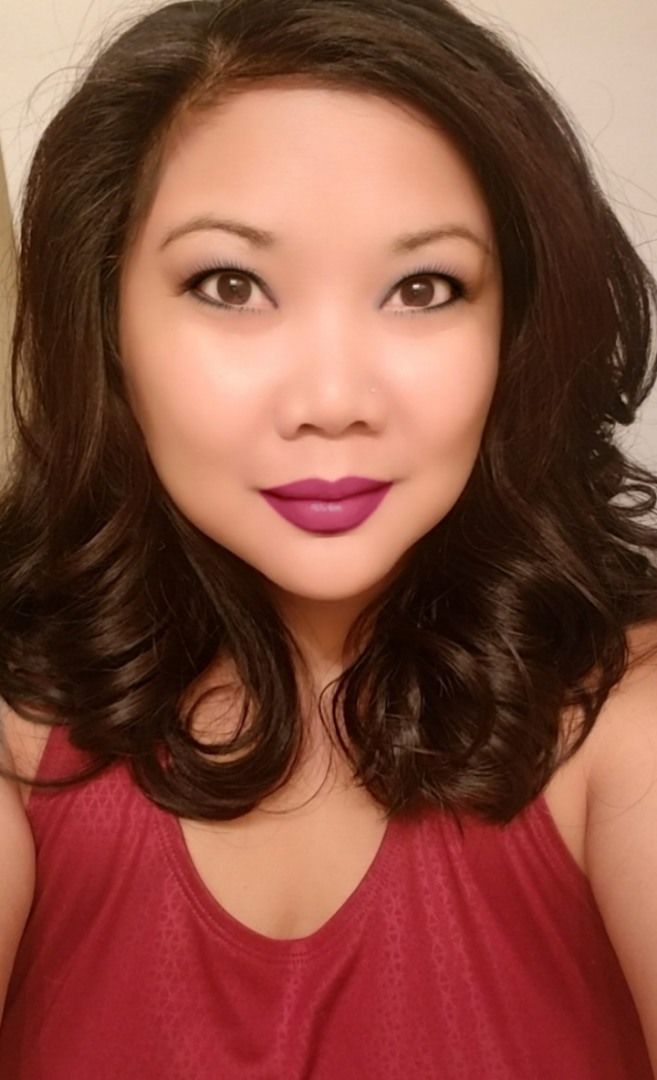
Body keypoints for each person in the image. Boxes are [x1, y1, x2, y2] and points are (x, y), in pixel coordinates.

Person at [0, 0, 656, 1075]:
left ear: (514, 329)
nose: (334, 402)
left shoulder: (626, 726)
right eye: (230, 285)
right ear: (106, 323)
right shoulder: (25, 732)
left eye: (423, 288)